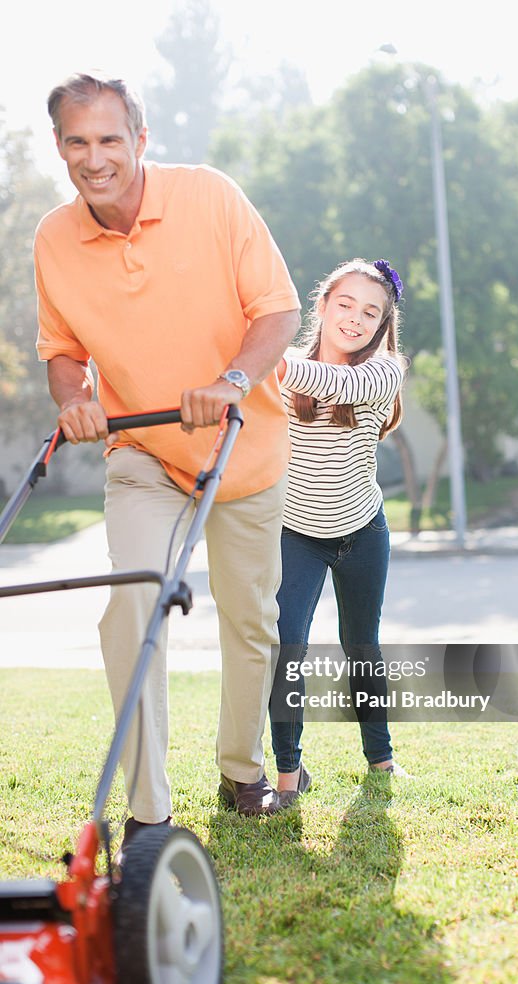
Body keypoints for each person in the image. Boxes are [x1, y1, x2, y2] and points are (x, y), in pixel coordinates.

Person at [34, 72, 301, 839]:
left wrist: (230, 380)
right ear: (59, 147)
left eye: (109, 138)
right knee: (133, 606)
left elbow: (278, 309)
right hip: (143, 450)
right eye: (77, 142)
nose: (95, 157)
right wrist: (73, 398)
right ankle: (149, 811)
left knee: (250, 621)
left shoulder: (209, 197)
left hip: (240, 446)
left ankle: (241, 769)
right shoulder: (54, 237)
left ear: (140, 139)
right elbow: (62, 350)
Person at [268, 258, 409, 806]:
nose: (356, 318)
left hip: (361, 531)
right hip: (296, 533)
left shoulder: (384, 371)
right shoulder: (285, 375)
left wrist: (257, 357)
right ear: (323, 305)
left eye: (370, 312)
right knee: (288, 649)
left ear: (381, 325)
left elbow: (334, 381)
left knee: (361, 645)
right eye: (345, 304)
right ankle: (287, 775)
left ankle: (382, 758)